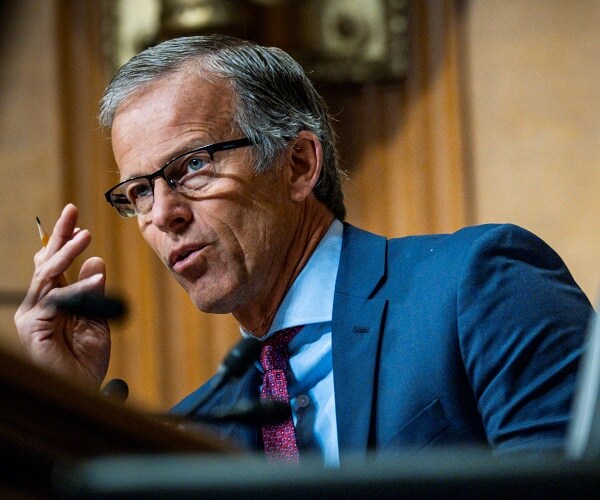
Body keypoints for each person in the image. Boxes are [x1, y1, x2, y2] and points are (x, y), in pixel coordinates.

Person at [14, 35, 593, 466]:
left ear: (298, 164)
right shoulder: (198, 426)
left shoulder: (479, 285)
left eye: (192, 166)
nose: (163, 213)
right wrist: (64, 408)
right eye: (140, 191)